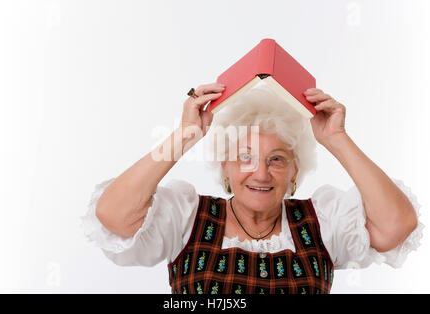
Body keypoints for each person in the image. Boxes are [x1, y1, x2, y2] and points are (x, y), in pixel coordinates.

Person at [81, 81, 423, 294]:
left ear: (294, 172)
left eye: (276, 159)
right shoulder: (187, 218)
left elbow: (396, 225)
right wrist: (186, 135)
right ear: (225, 168)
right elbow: (113, 215)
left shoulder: (323, 222)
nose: (261, 173)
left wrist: (337, 139)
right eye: (245, 158)